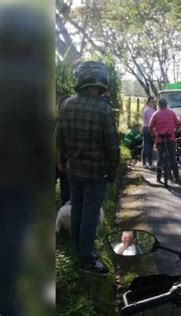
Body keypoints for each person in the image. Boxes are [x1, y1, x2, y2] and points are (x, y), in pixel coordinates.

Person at [56, 60, 119, 276]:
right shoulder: (104, 109)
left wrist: (64, 161)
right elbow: (112, 145)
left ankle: (78, 248)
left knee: (78, 209)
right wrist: (112, 172)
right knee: (90, 214)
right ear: (101, 83)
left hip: (74, 169)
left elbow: (60, 139)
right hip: (96, 172)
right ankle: (86, 259)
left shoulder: (66, 105)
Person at [149, 98, 181, 184]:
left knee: (160, 158)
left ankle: (158, 177)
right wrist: (176, 131)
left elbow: (150, 127)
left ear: (158, 105)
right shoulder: (171, 113)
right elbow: (178, 124)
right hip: (170, 138)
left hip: (159, 139)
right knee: (172, 158)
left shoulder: (155, 114)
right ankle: (177, 178)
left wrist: (153, 135)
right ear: (166, 105)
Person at [55, 95, 71, 205]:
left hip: (62, 162)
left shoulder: (55, 121)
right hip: (62, 162)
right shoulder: (71, 123)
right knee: (66, 191)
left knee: (66, 191)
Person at [142, 96, 157, 169]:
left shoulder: (145, 109)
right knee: (149, 147)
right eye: (152, 101)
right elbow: (151, 122)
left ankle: (144, 163)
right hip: (149, 129)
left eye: (154, 102)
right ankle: (150, 163)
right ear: (148, 102)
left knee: (145, 146)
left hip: (145, 128)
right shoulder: (150, 110)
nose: (153, 103)